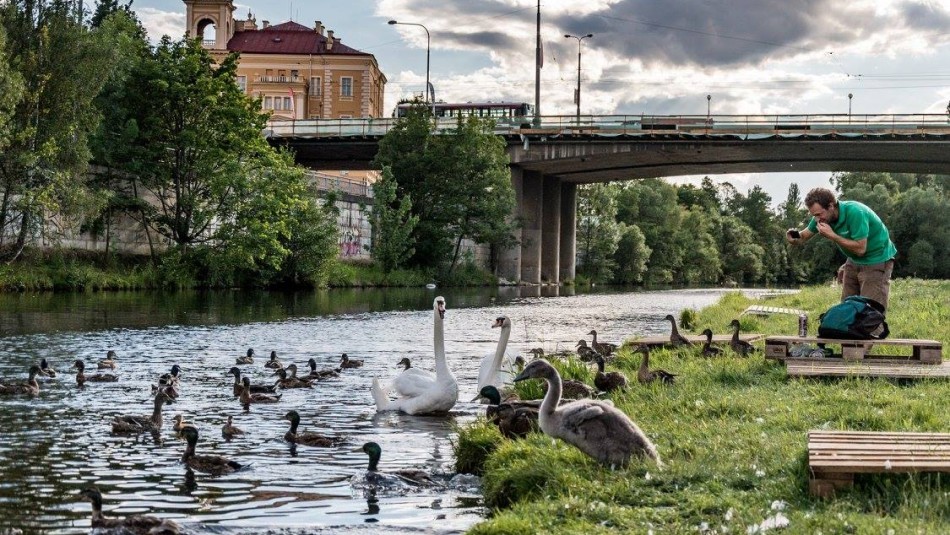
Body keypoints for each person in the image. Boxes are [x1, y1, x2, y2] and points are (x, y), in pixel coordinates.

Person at [786, 187, 897, 310]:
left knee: (871, 312)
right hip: (853, 260)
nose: (817, 219)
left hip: (877, 259)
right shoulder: (821, 216)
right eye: (814, 215)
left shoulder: (856, 212)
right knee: (847, 308)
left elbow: (861, 249)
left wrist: (832, 236)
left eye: (818, 214)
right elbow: (803, 236)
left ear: (831, 206)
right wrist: (793, 237)